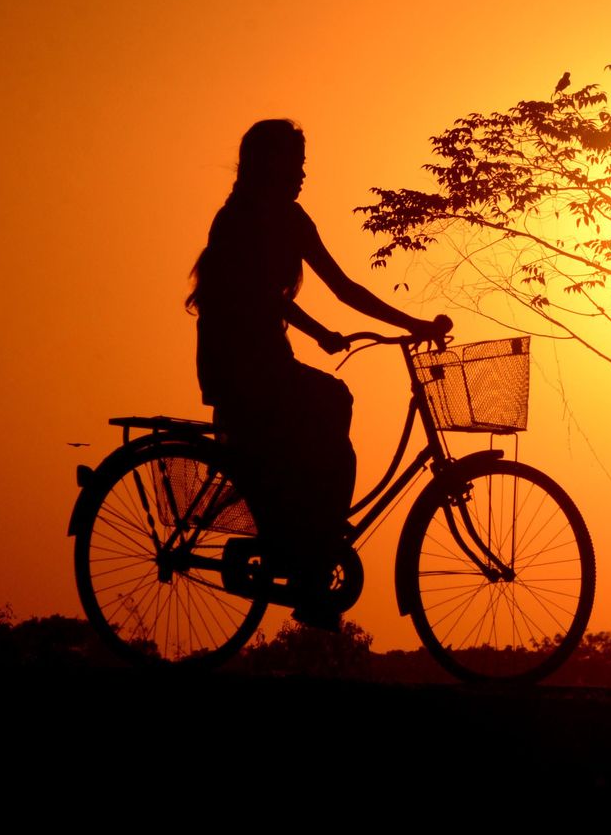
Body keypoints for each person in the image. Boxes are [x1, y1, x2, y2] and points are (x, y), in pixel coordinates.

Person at [186, 119, 448, 628]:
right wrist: (320, 333)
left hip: (257, 362)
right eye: (295, 162)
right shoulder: (241, 219)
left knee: (319, 418)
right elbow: (257, 295)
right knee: (333, 411)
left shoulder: (286, 219)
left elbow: (344, 287)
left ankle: (303, 543)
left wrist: (412, 323)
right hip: (243, 364)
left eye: (303, 163)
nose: (303, 173)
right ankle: (312, 553)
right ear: (269, 164)